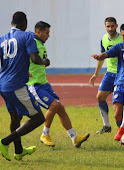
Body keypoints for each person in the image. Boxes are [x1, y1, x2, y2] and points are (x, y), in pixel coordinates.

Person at [27, 21, 90, 148]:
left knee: (60, 107)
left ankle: (74, 138)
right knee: (54, 105)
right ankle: (44, 135)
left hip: (44, 83)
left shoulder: (39, 43)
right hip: (34, 85)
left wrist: (44, 62)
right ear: (38, 31)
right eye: (47, 32)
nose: (48, 35)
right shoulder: (31, 42)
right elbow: (30, 58)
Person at [0, 11, 49, 161]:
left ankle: (19, 150)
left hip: (3, 84)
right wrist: (45, 62)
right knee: (38, 118)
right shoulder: (27, 36)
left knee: (16, 118)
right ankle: (5, 142)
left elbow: (4, 63)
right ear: (25, 23)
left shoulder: (2, 40)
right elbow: (34, 59)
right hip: (16, 86)